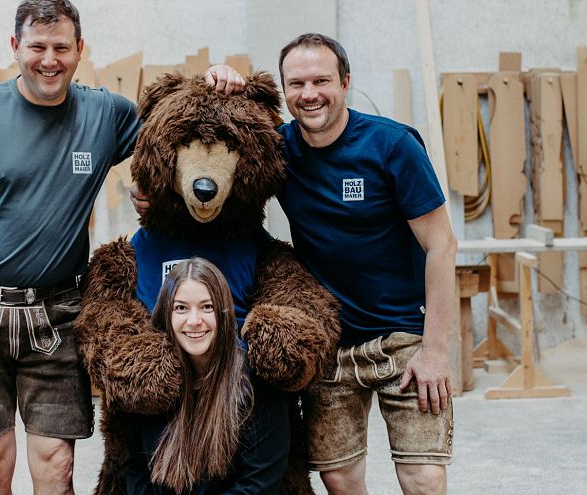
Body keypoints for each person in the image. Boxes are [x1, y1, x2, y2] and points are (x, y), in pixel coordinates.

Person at [0, 0, 244, 492]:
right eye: (37, 47)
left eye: (61, 47)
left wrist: (214, 80)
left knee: (57, 466)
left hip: (59, 311)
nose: (49, 59)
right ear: (15, 47)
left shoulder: (105, 114)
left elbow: (174, 128)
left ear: (79, 49)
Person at [131, 33, 457, 495]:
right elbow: (221, 140)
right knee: (339, 477)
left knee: (422, 476)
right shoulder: (281, 151)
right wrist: (220, 79)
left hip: (404, 335)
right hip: (332, 338)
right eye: (297, 83)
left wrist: (436, 350)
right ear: (283, 89)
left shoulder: (392, 146)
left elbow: (442, 246)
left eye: (321, 80)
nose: (309, 94)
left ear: (345, 82)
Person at [123, 257, 290, 494]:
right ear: (166, 315)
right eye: (181, 307)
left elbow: (260, 484)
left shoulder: (255, 383)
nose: (194, 321)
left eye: (207, 307)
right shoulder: (152, 380)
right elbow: (135, 469)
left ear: (223, 312)